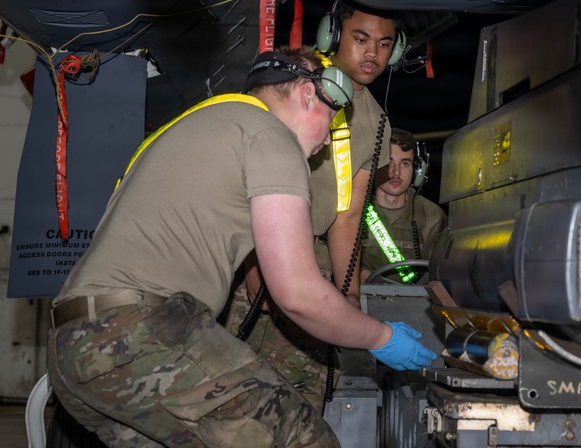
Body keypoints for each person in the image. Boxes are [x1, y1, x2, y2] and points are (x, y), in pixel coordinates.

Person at [46, 48, 435, 447]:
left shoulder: (204, 123)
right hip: (138, 332)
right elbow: (299, 294)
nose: (327, 140)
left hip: (72, 348)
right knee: (302, 437)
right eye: (332, 118)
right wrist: (380, 337)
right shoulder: (271, 135)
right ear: (306, 94)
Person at [224, 0, 406, 404]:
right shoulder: (297, 87)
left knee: (300, 399)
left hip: (309, 266)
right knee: (230, 393)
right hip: (255, 253)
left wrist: (351, 297)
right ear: (334, 34)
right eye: (360, 39)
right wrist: (256, 264)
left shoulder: (377, 120)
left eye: (383, 43)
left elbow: (349, 216)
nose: (372, 53)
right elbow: (252, 176)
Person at [361, 128, 447, 282]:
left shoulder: (432, 217)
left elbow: (438, 277)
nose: (396, 173)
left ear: (417, 170)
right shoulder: (353, 211)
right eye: (388, 163)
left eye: (405, 164)